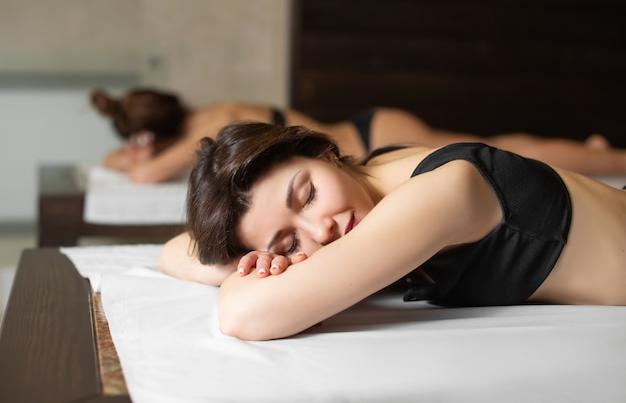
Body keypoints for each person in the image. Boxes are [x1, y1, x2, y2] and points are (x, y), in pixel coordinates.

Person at [157, 121, 626, 341]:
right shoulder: (378, 170)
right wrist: (261, 259)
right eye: (292, 241)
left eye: (308, 196)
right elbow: (175, 251)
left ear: (323, 154)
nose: (322, 229)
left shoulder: (439, 194)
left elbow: (244, 317)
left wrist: (256, 271)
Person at [91, 87, 626, 184]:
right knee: (495, 143)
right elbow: (125, 160)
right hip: (371, 130)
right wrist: (133, 146)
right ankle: (592, 155)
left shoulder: (208, 132)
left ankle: (612, 159)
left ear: (151, 133)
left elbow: (140, 174)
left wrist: (135, 155)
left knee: (507, 155)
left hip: (375, 139)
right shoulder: (212, 113)